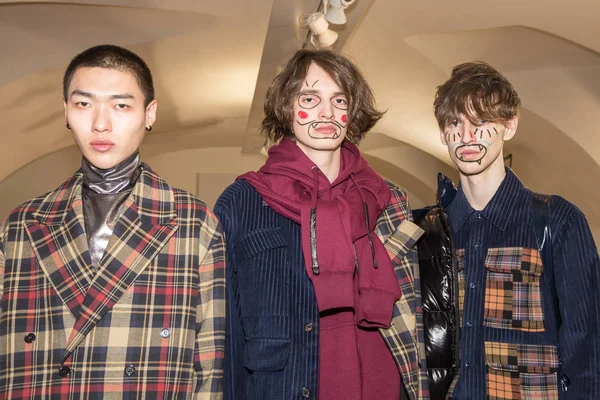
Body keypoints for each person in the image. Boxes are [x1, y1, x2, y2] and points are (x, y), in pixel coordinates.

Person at [0, 44, 225, 399]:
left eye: (121, 105)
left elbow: (210, 369)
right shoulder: (21, 226)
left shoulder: (193, 223)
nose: (100, 124)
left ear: (149, 114)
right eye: (84, 104)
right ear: (66, 111)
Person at [214, 49, 429, 400]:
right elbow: (224, 330)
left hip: (382, 386)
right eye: (310, 99)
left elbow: (411, 312)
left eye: (339, 100)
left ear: (351, 111)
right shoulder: (242, 202)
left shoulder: (389, 199)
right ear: (286, 107)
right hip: (282, 388)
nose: (326, 113)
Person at [415, 61, 600, 399]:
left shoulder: (557, 221)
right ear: (443, 133)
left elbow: (586, 349)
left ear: (510, 125)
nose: (467, 136)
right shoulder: (427, 232)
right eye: (455, 123)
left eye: (481, 121)